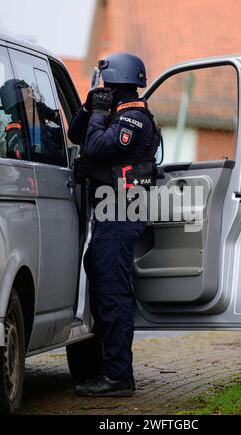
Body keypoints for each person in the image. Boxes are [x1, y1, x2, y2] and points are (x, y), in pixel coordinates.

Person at [68, 53, 160, 397]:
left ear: (118, 84)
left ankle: (119, 377)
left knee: (113, 296)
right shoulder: (111, 114)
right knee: (101, 284)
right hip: (110, 213)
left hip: (123, 212)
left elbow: (95, 145)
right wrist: (88, 107)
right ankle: (107, 370)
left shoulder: (134, 118)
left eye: (106, 86)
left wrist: (101, 115)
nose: (103, 89)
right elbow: (77, 134)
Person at [0, 78, 61, 160]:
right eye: (29, 98)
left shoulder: (34, 127)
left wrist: (54, 115)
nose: (34, 101)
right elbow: (28, 158)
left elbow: (62, 134)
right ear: (20, 104)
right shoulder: (16, 133)